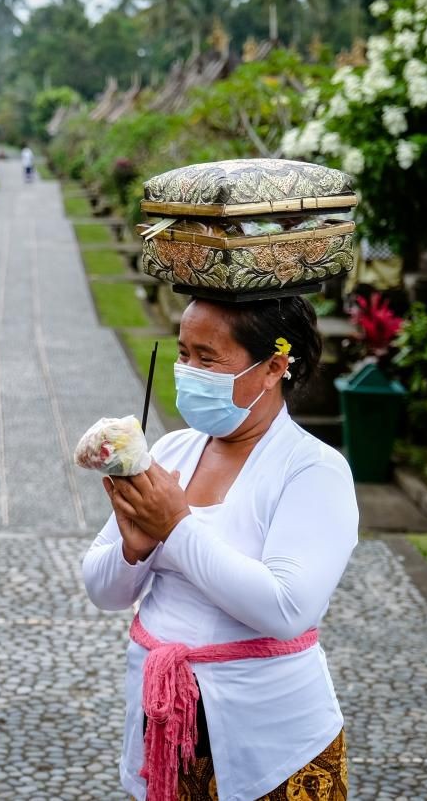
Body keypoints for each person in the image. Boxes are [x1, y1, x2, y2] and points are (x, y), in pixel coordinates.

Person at [82, 295, 358, 801]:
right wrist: (133, 549)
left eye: (207, 359)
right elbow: (102, 589)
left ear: (274, 367)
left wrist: (176, 528)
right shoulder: (170, 451)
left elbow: (286, 608)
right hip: (166, 723)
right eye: (183, 353)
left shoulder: (313, 470)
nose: (188, 371)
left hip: (273, 743)